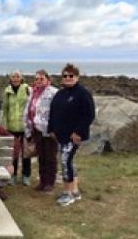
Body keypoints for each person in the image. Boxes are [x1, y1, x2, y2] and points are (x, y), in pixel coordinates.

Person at [49, 64, 95, 206]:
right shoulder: (60, 93)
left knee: (65, 162)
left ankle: (68, 194)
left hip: (73, 136)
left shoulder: (82, 93)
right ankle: (75, 190)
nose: (68, 78)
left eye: (71, 76)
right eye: (65, 76)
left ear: (77, 77)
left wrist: (79, 132)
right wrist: (51, 129)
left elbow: (89, 115)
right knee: (68, 161)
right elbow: (53, 112)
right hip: (60, 135)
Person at [23, 70, 58, 193]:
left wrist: (55, 128)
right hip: (36, 129)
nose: (38, 81)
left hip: (49, 130)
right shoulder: (33, 92)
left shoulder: (53, 92)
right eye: (37, 79)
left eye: (41, 79)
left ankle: (50, 182)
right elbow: (29, 111)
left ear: (48, 80)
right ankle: (42, 181)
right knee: (41, 157)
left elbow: (58, 112)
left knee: (50, 157)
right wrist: (28, 129)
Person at [1, 70, 32, 186]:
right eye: (13, 77)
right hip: (11, 127)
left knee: (26, 154)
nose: (15, 79)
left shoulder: (27, 89)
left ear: (21, 78)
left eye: (18, 76)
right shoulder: (7, 91)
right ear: (10, 78)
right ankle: (12, 176)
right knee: (13, 154)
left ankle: (26, 176)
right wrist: (4, 126)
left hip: (25, 127)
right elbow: (5, 109)